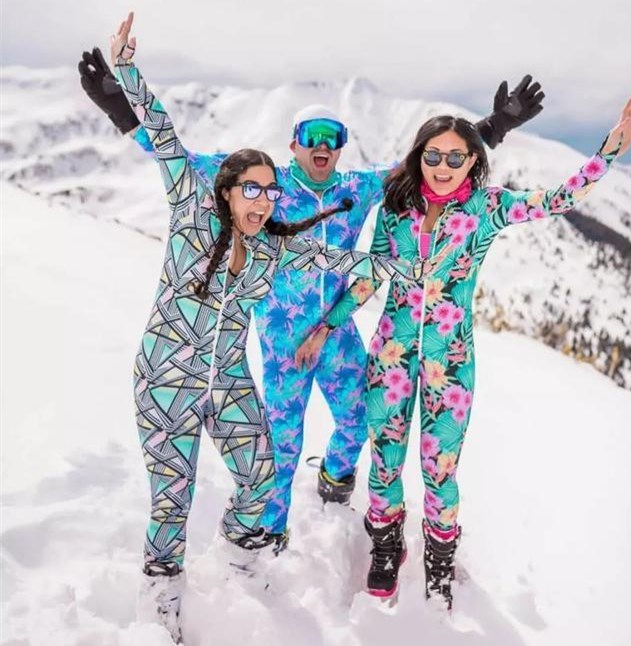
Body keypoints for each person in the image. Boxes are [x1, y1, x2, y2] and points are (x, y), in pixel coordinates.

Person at [78, 34, 545, 537]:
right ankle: (270, 529)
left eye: (332, 137)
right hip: (282, 339)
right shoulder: (267, 187)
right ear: (294, 143)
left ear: (341, 145)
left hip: (336, 332)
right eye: (311, 135)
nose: (322, 146)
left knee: (359, 420)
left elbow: (424, 165)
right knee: (282, 443)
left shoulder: (356, 189)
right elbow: (184, 163)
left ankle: (336, 476)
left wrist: (493, 127)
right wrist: (122, 113)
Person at [108, 12, 442, 641]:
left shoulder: (273, 245)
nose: (263, 201)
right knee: (172, 499)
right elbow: (167, 138)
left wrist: (406, 265)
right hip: (166, 382)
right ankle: (161, 597)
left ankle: (241, 555)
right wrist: (126, 73)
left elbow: (342, 258)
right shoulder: (191, 214)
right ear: (226, 190)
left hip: (230, 380)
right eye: (252, 190)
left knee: (264, 474)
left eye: (268, 193)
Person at [296, 97, 631, 607]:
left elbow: (557, 200)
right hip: (391, 355)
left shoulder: (486, 207)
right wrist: (328, 325)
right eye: (433, 155)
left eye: (456, 157)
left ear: (473, 160)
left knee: (439, 469)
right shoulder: (396, 208)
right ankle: (386, 545)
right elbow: (371, 274)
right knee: (385, 461)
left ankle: (440, 557)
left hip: (451, 363)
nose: (443, 166)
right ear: (419, 156)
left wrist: (607, 152)